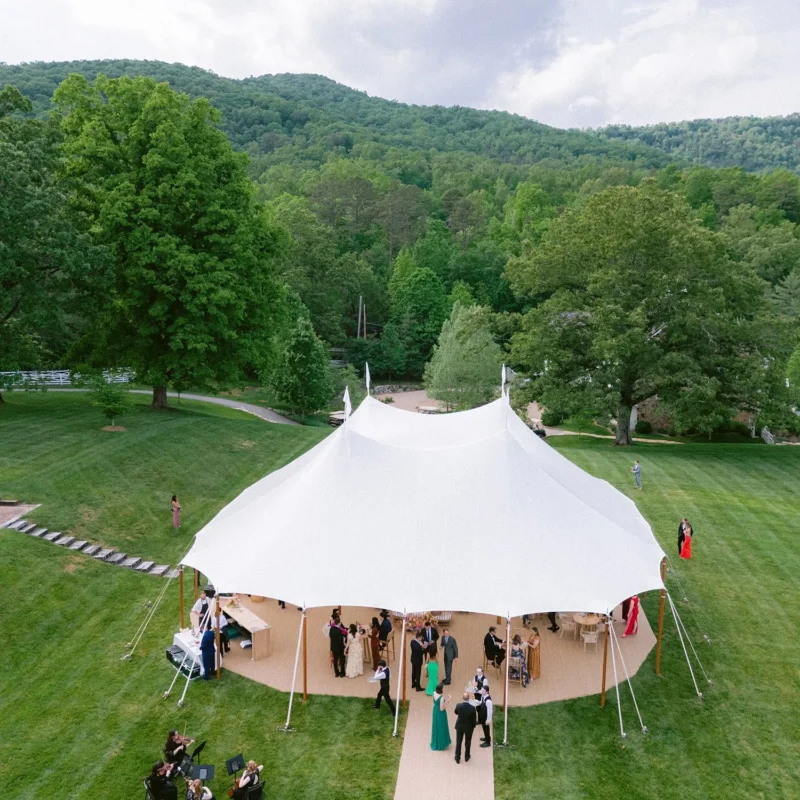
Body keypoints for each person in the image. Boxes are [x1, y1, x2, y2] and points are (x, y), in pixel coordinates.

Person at [453, 692, 477, 764]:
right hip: (469, 728)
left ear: (462, 698)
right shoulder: (472, 708)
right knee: (468, 742)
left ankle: (457, 757)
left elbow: (456, 712)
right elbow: (474, 718)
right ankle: (467, 756)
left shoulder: (458, 705)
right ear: (468, 698)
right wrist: (473, 726)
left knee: (458, 742)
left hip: (460, 726)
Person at [430, 682, 452, 751]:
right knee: (441, 727)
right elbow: (441, 708)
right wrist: (448, 700)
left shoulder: (433, 693)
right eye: (443, 688)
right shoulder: (441, 698)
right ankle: (441, 744)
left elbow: (434, 702)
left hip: (435, 711)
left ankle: (435, 742)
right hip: (440, 713)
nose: (444, 688)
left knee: (436, 726)